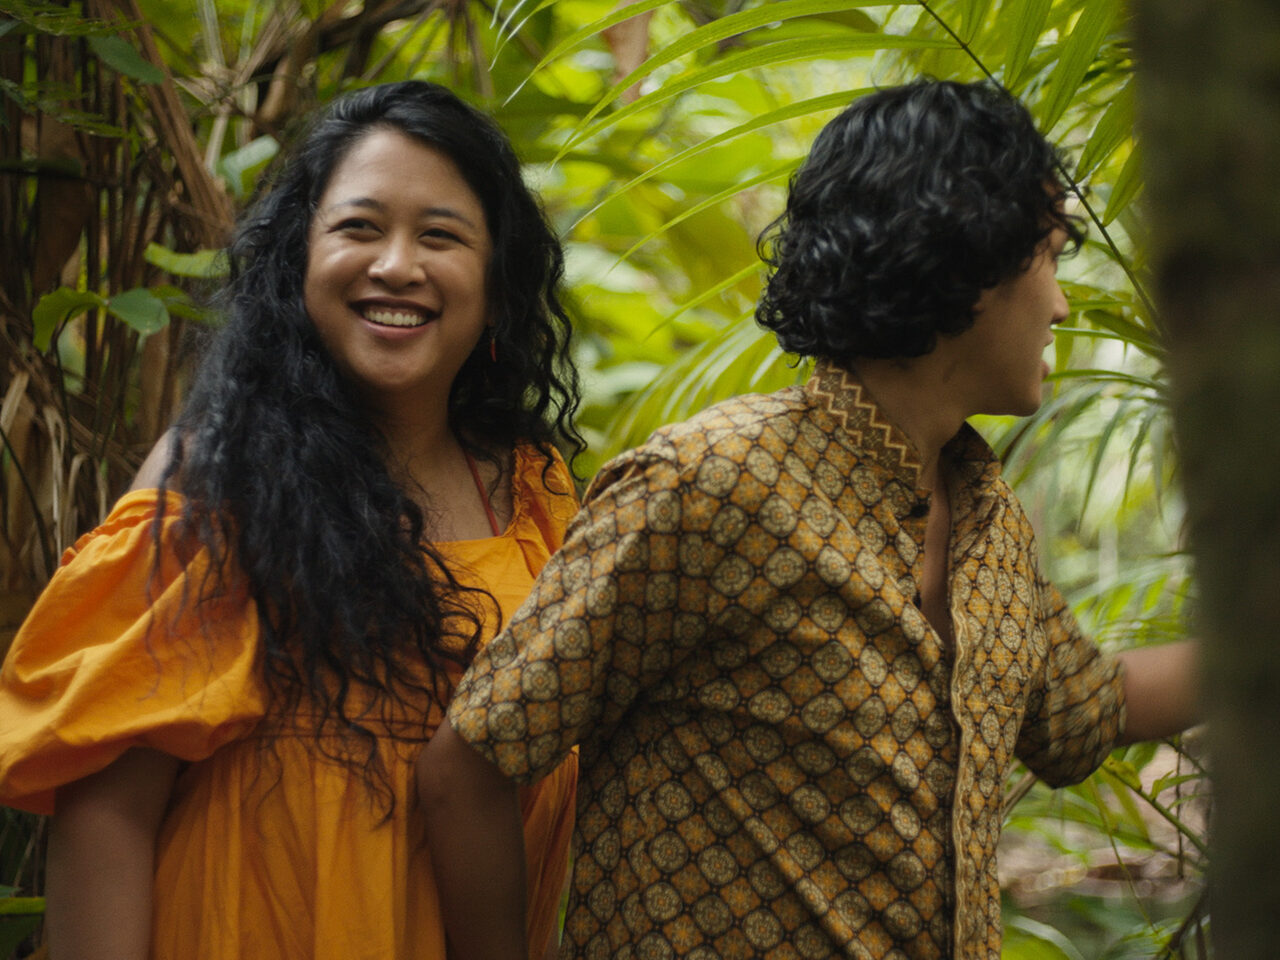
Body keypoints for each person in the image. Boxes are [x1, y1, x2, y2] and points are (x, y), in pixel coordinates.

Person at [417, 79, 1199, 960]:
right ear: (967, 259)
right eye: (1048, 259)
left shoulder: (991, 524)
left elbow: (1088, 705)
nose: (1060, 304)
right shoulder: (712, 486)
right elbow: (472, 761)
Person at [0, 80, 582, 960]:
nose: (396, 265)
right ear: (299, 259)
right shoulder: (215, 476)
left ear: (497, 284)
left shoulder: (534, 494)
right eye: (359, 227)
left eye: (440, 235)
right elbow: (107, 810)